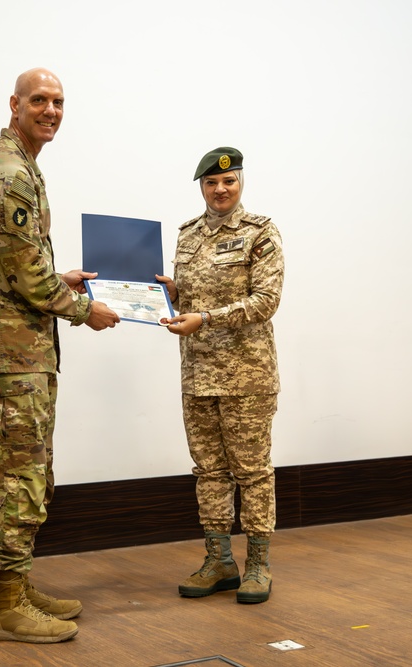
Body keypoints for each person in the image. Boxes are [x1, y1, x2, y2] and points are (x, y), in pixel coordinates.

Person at [0, 67, 119, 644]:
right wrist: (82, 308)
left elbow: (20, 269)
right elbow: (27, 279)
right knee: (17, 475)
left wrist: (60, 280)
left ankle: (17, 585)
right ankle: (3, 608)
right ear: (15, 105)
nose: (51, 110)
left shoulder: (20, 166)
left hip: (17, 347)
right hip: (6, 353)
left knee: (31, 470)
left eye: (59, 102)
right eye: (40, 101)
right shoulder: (8, 175)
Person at [157, 147, 284, 604]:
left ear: (241, 183)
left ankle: (258, 565)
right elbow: (188, 294)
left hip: (247, 376)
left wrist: (205, 318)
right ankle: (219, 561)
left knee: (251, 473)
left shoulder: (261, 232)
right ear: (202, 187)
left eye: (228, 181)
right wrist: (170, 292)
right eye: (211, 183)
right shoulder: (187, 234)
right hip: (198, 373)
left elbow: (265, 300)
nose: (220, 189)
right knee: (209, 472)